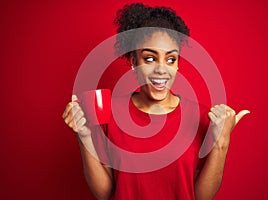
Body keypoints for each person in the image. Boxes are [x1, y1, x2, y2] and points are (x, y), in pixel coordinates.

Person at [62, 3, 250, 200]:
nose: (162, 69)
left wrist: (222, 141)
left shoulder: (202, 117)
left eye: (171, 59)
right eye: (150, 58)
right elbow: (106, 194)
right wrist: (84, 136)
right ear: (134, 61)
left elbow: (202, 197)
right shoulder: (110, 113)